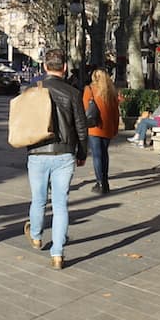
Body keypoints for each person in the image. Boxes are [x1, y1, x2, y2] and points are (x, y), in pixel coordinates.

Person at [23, 49, 88, 270]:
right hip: (64, 153)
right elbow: (81, 126)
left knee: (38, 199)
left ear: (44, 67)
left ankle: (36, 235)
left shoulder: (33, 91)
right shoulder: (73, 92)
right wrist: (82, 152)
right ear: (65, 68)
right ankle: (58, 253)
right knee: (61, 204)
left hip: (38, 152)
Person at [82, 67, 120, 194]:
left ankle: (100, 183)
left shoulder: (90, 89)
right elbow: (116, 112)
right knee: (104, 154)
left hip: (94, 127)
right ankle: (105, 180)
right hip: (108, 127)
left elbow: (86, 108)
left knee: (97, 156)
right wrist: (115, 127)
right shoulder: (111, 92)